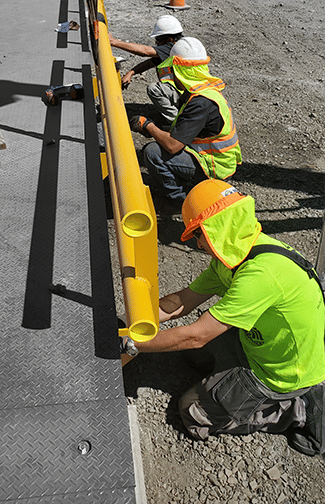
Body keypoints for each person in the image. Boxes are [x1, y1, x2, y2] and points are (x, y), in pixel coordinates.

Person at [121, 179, 325, 457]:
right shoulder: (235, 257)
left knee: (192, 414)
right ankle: (234, 383)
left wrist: (132, 344)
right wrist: (133, 321)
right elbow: (182, 302)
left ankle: (292, 409)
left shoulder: (261, 275)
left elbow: (195, 336)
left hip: (281, 373)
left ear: (216, 228)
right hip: (260, 344)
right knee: (193, 357)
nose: (197, 243)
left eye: (197, 233)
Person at [130, 37, 242, 213]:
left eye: (174, 71)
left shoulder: (200, 103)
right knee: (163, 138)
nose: (171, 76)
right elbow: (184, 129)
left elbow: (173, 146)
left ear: (182, 72)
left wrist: (148, 126)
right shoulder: (204, 90)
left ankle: (181, 201)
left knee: (153, 152)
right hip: (215, 158)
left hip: (214, 167)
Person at [108, 15, 184, 124]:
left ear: (169, 39)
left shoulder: (173, 48)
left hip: (185, 93)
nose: (157, 43)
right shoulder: (181, 46)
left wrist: (114, 42)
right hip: (191, 92)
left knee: (154, 89)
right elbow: (151, 62)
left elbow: (145, 51)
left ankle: (177, 122)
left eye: (159, 39)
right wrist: (131, 72)